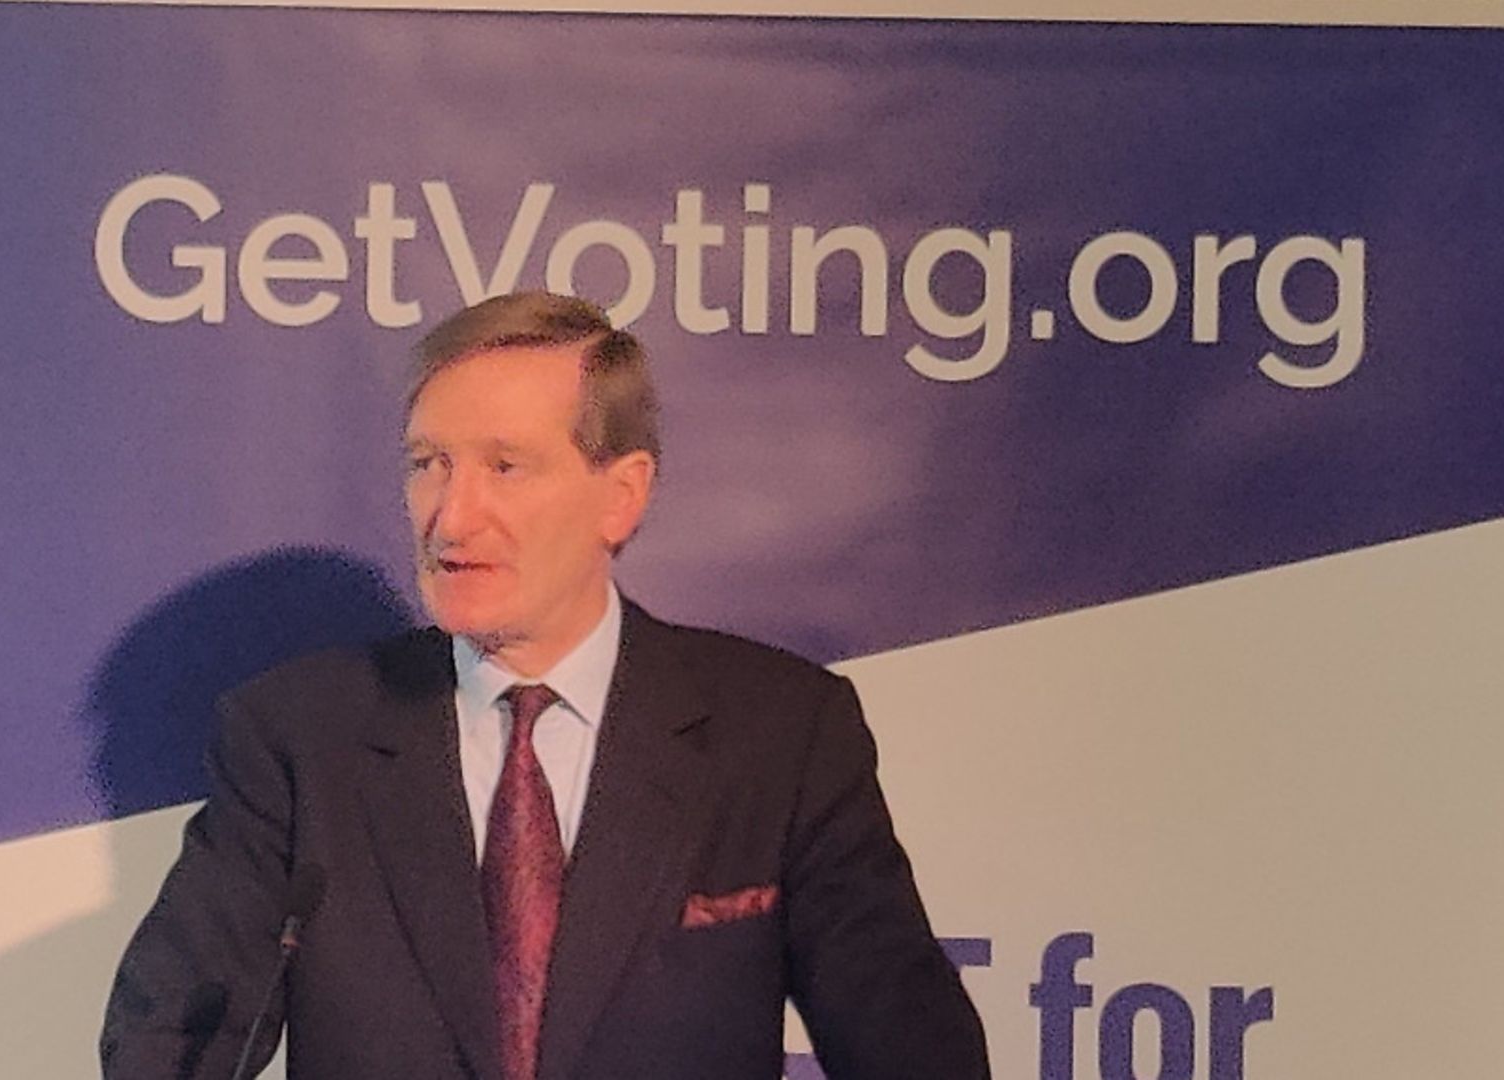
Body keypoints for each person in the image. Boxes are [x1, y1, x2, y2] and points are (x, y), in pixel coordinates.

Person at [100, 291, 990, 1079]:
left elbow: (912, 1047)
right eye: (428, 464)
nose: (451, 516)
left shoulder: (780, 734)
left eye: (504, 466)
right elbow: (168, 1040)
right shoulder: (299, 738)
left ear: (622, 496)